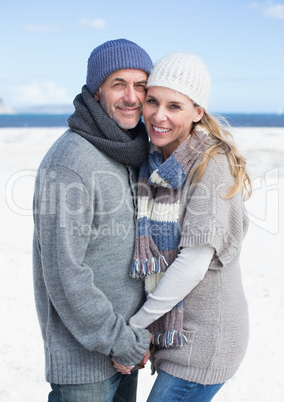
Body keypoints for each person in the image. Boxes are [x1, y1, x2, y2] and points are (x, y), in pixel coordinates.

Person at [113, 52, 252, 401]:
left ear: (197, 112)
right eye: (153, 102)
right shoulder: (155, 161)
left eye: (174, 107)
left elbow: (191, 265)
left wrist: (135, 327)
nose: (159, 116)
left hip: (205, 342)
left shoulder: (211, 166)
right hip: (174, 335)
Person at [32, 39, 154, 402]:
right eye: (119, 84)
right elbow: (65, 275)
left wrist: (133, 340)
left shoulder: (129, 152)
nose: (131, 96)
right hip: (87, 366)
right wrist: (121, 343)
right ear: (96, 90)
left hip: (125, 350)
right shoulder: (71, 162)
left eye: (141, 86)